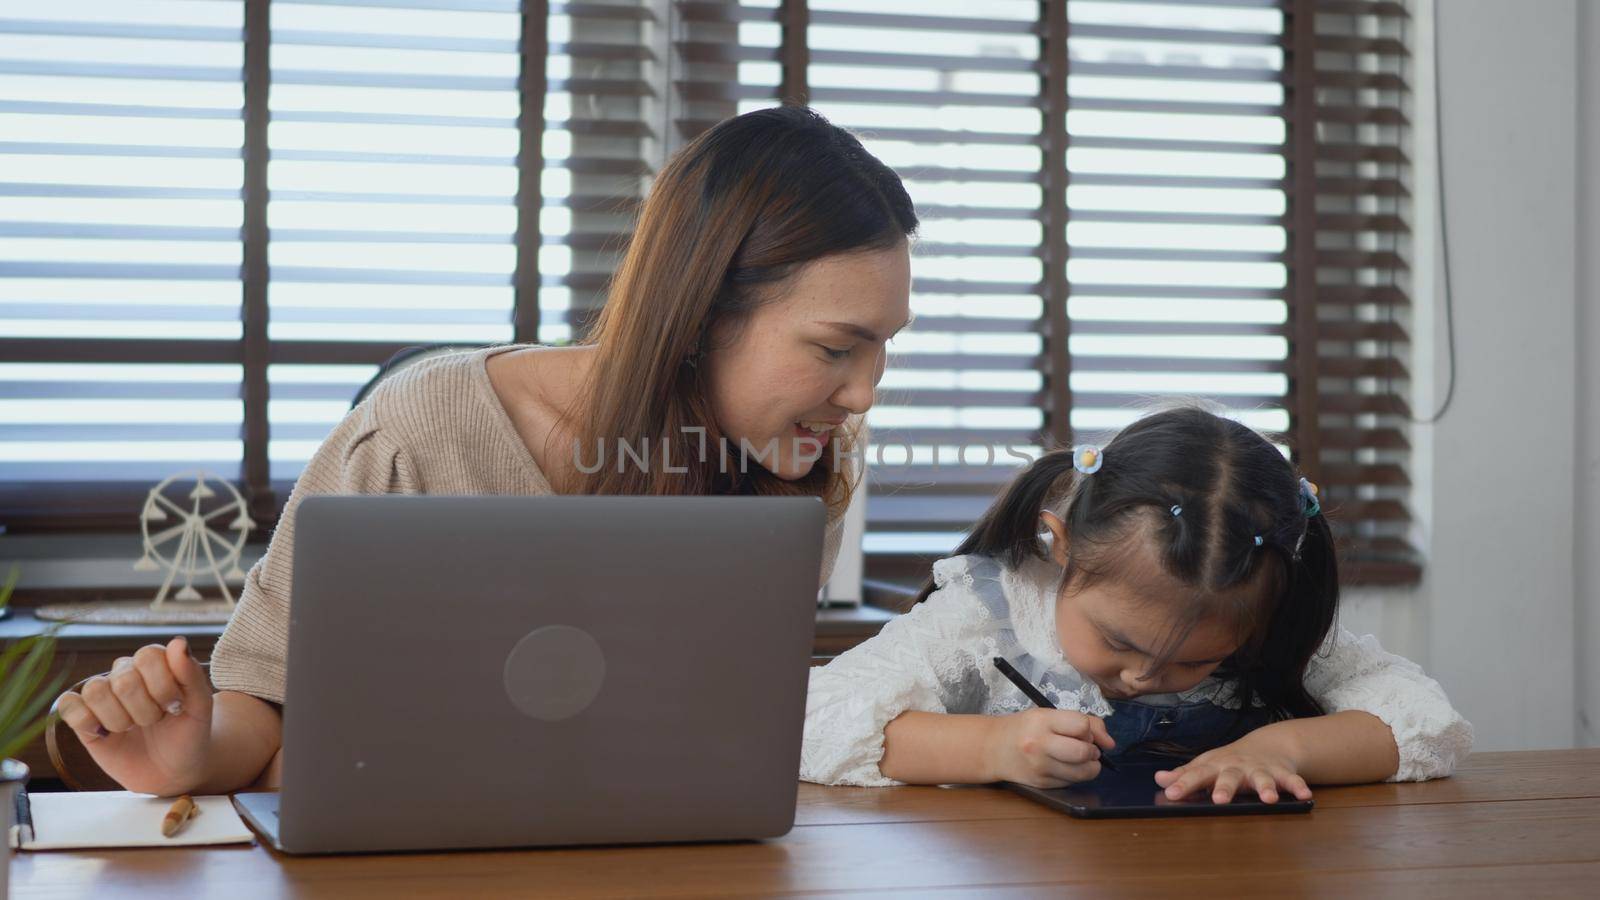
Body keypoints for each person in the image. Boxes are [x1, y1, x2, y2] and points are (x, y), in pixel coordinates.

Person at [53, 106, 918, 797]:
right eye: (836, 348)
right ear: (701, 315)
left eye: (884, 347)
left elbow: (714, 729)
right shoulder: (415, 434)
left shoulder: (801, 457)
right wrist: (194, 756)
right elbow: (269, 705)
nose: (863, 392)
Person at [801, 406, 1473, 804]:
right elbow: (808, 722)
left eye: (1196, 662)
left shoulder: (1267, 624)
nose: (1146, 678)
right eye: (1119, 643)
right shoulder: (992, 614)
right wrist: (992, 747)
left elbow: (1425, 722)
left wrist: (1286, 746)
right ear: (1060, 546)